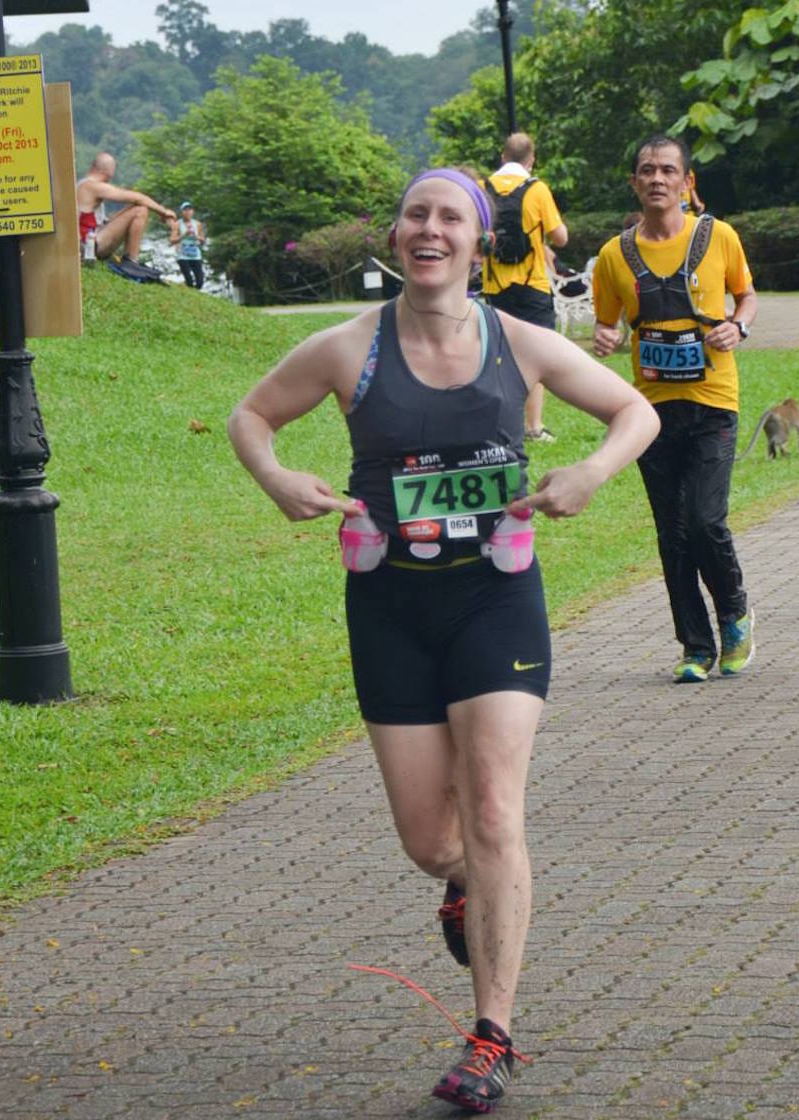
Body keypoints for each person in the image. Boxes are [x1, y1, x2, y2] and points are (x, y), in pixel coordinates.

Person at [228, 168, 658, 1113]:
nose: (431, 230)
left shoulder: (521, 342)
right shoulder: (349, 350)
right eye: (417, 215)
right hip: (389, 607)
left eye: (450, 217)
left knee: (498, 811)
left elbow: (639, 411)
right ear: (397, 235)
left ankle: (492, 1035)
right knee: (434, 839)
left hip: (494, 602)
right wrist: (277, 477)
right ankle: (466, 884)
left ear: (480, 239)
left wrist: (589, 471)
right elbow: (249, 416)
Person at [592, 134, 758, 684]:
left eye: (668, 170)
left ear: (687, 182)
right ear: (634, 183)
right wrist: (605, 336)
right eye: (647, 171)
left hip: (713, 402)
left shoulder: (720, 237)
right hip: (652, 411)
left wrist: (739, 326)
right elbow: (608, 320)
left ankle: (734, 613)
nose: (657, 179)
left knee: (705, 520)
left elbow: (746, 296)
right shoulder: (616, 255)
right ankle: (695, 647)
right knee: (673, 533)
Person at [480, 133, 569, 443]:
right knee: (537, 353)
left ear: (503, 157)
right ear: (531, 161)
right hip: (532, 284)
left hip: (495, 285)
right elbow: (561, 238)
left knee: (497, 355)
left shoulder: (484, 188)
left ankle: (499, 424)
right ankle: (533, 426)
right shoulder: (538, 189)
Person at [75, 152, 176, 267]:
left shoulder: (84, 184)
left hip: (92, 239)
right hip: (89, 246)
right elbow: (139, 198)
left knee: (134, 207)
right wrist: (163, 211)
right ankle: (131, 262)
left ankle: (130, 260)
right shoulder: (92, 186)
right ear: (108, 171)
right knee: (140, 210)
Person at [170, 200, 207, 288]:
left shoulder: (197, 224)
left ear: (193, 211)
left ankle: (195, 295)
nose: (187, 212)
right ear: (181, 212)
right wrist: (184, 235)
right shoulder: (177, 224)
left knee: (200, 282)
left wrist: (196, 236)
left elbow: (203, 240)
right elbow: (172, 239)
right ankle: (189, 293)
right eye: (185, 210)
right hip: (183, 255)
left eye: (189, 209)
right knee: (189, 281)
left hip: (195, 254)